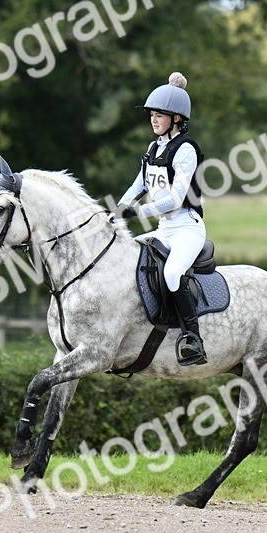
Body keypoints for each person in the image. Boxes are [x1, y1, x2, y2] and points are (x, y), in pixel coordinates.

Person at [112, 71, 208, 366]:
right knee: (126, 260)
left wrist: (140, 211)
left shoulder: (186, 149)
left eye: (160, 115)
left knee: (171, 274)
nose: (154, 120)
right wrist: (118, 209)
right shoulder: (154, 148)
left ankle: (193, 339)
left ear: (177, 118)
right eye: (152, 115)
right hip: (163, 229)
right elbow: (139, 184)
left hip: (186, 228)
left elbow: (176, 199)